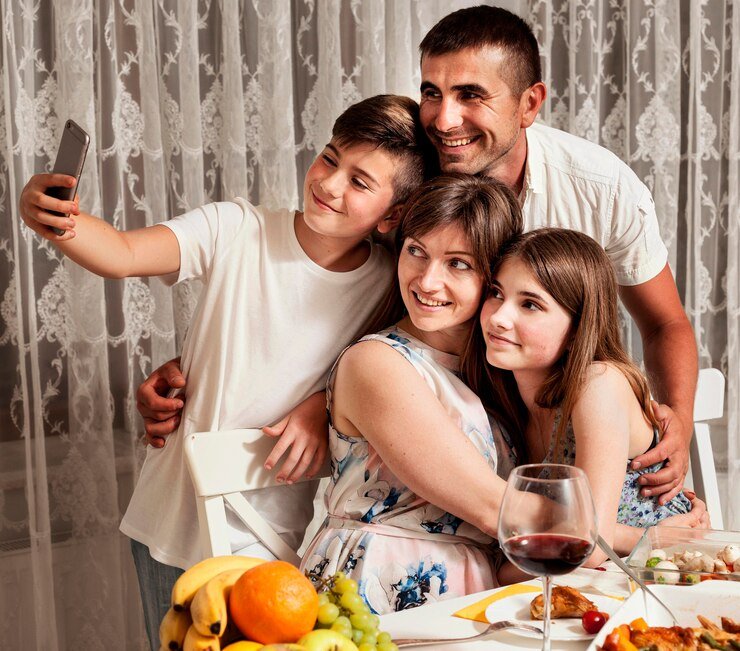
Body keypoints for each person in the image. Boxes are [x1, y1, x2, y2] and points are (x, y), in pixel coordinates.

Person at [18, 94, 431, 650]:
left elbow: (391, 373)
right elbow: (119, 251)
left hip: (280, 542)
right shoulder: (235, 227)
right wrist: (53, 219)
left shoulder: (391, 284)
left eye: (360, 182)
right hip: (168, 524)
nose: (330, 184)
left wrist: (322, 404)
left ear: (393, 214)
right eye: (330, 158)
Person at [417, 5, 698, 504]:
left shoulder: (601, 186)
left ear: (530, 104)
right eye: (431, 93)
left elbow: (665, 324)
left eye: (471, 95)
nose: (444, 119)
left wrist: (677, 421)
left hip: (574, 445)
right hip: (458, 429)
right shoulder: (410, 171)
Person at [300, 173, 523, 614]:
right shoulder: (377, 363)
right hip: (378, 588)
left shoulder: (496, 372)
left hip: (477, 594)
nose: (426, 281)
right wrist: (636, 537)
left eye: (457, 263)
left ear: (493, 278)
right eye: (416, 251)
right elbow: (491, 507)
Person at [473, 228, 704, 580]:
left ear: (578, 329)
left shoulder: (598, 384)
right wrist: (644, 538)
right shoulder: (503, 398)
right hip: (594, 583)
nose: (498, 318)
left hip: (667, 579)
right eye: (496, 293)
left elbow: (586, 547)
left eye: (530, 304)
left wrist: (502, 569)